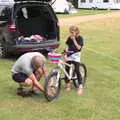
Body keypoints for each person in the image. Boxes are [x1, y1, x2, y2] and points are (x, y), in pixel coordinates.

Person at [64, 25, 84, 94]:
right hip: (70, 54)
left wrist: (74, 40)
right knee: (67, 68)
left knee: (77, 69)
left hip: (76, 55)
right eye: (71, 32)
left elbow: (78, 48)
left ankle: (80, 86)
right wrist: (66, 53)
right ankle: (68, 84)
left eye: (73, 32)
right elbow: (67, 45)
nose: (72, 33)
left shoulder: (80, 38)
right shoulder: (69, 38)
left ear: (77, 32)